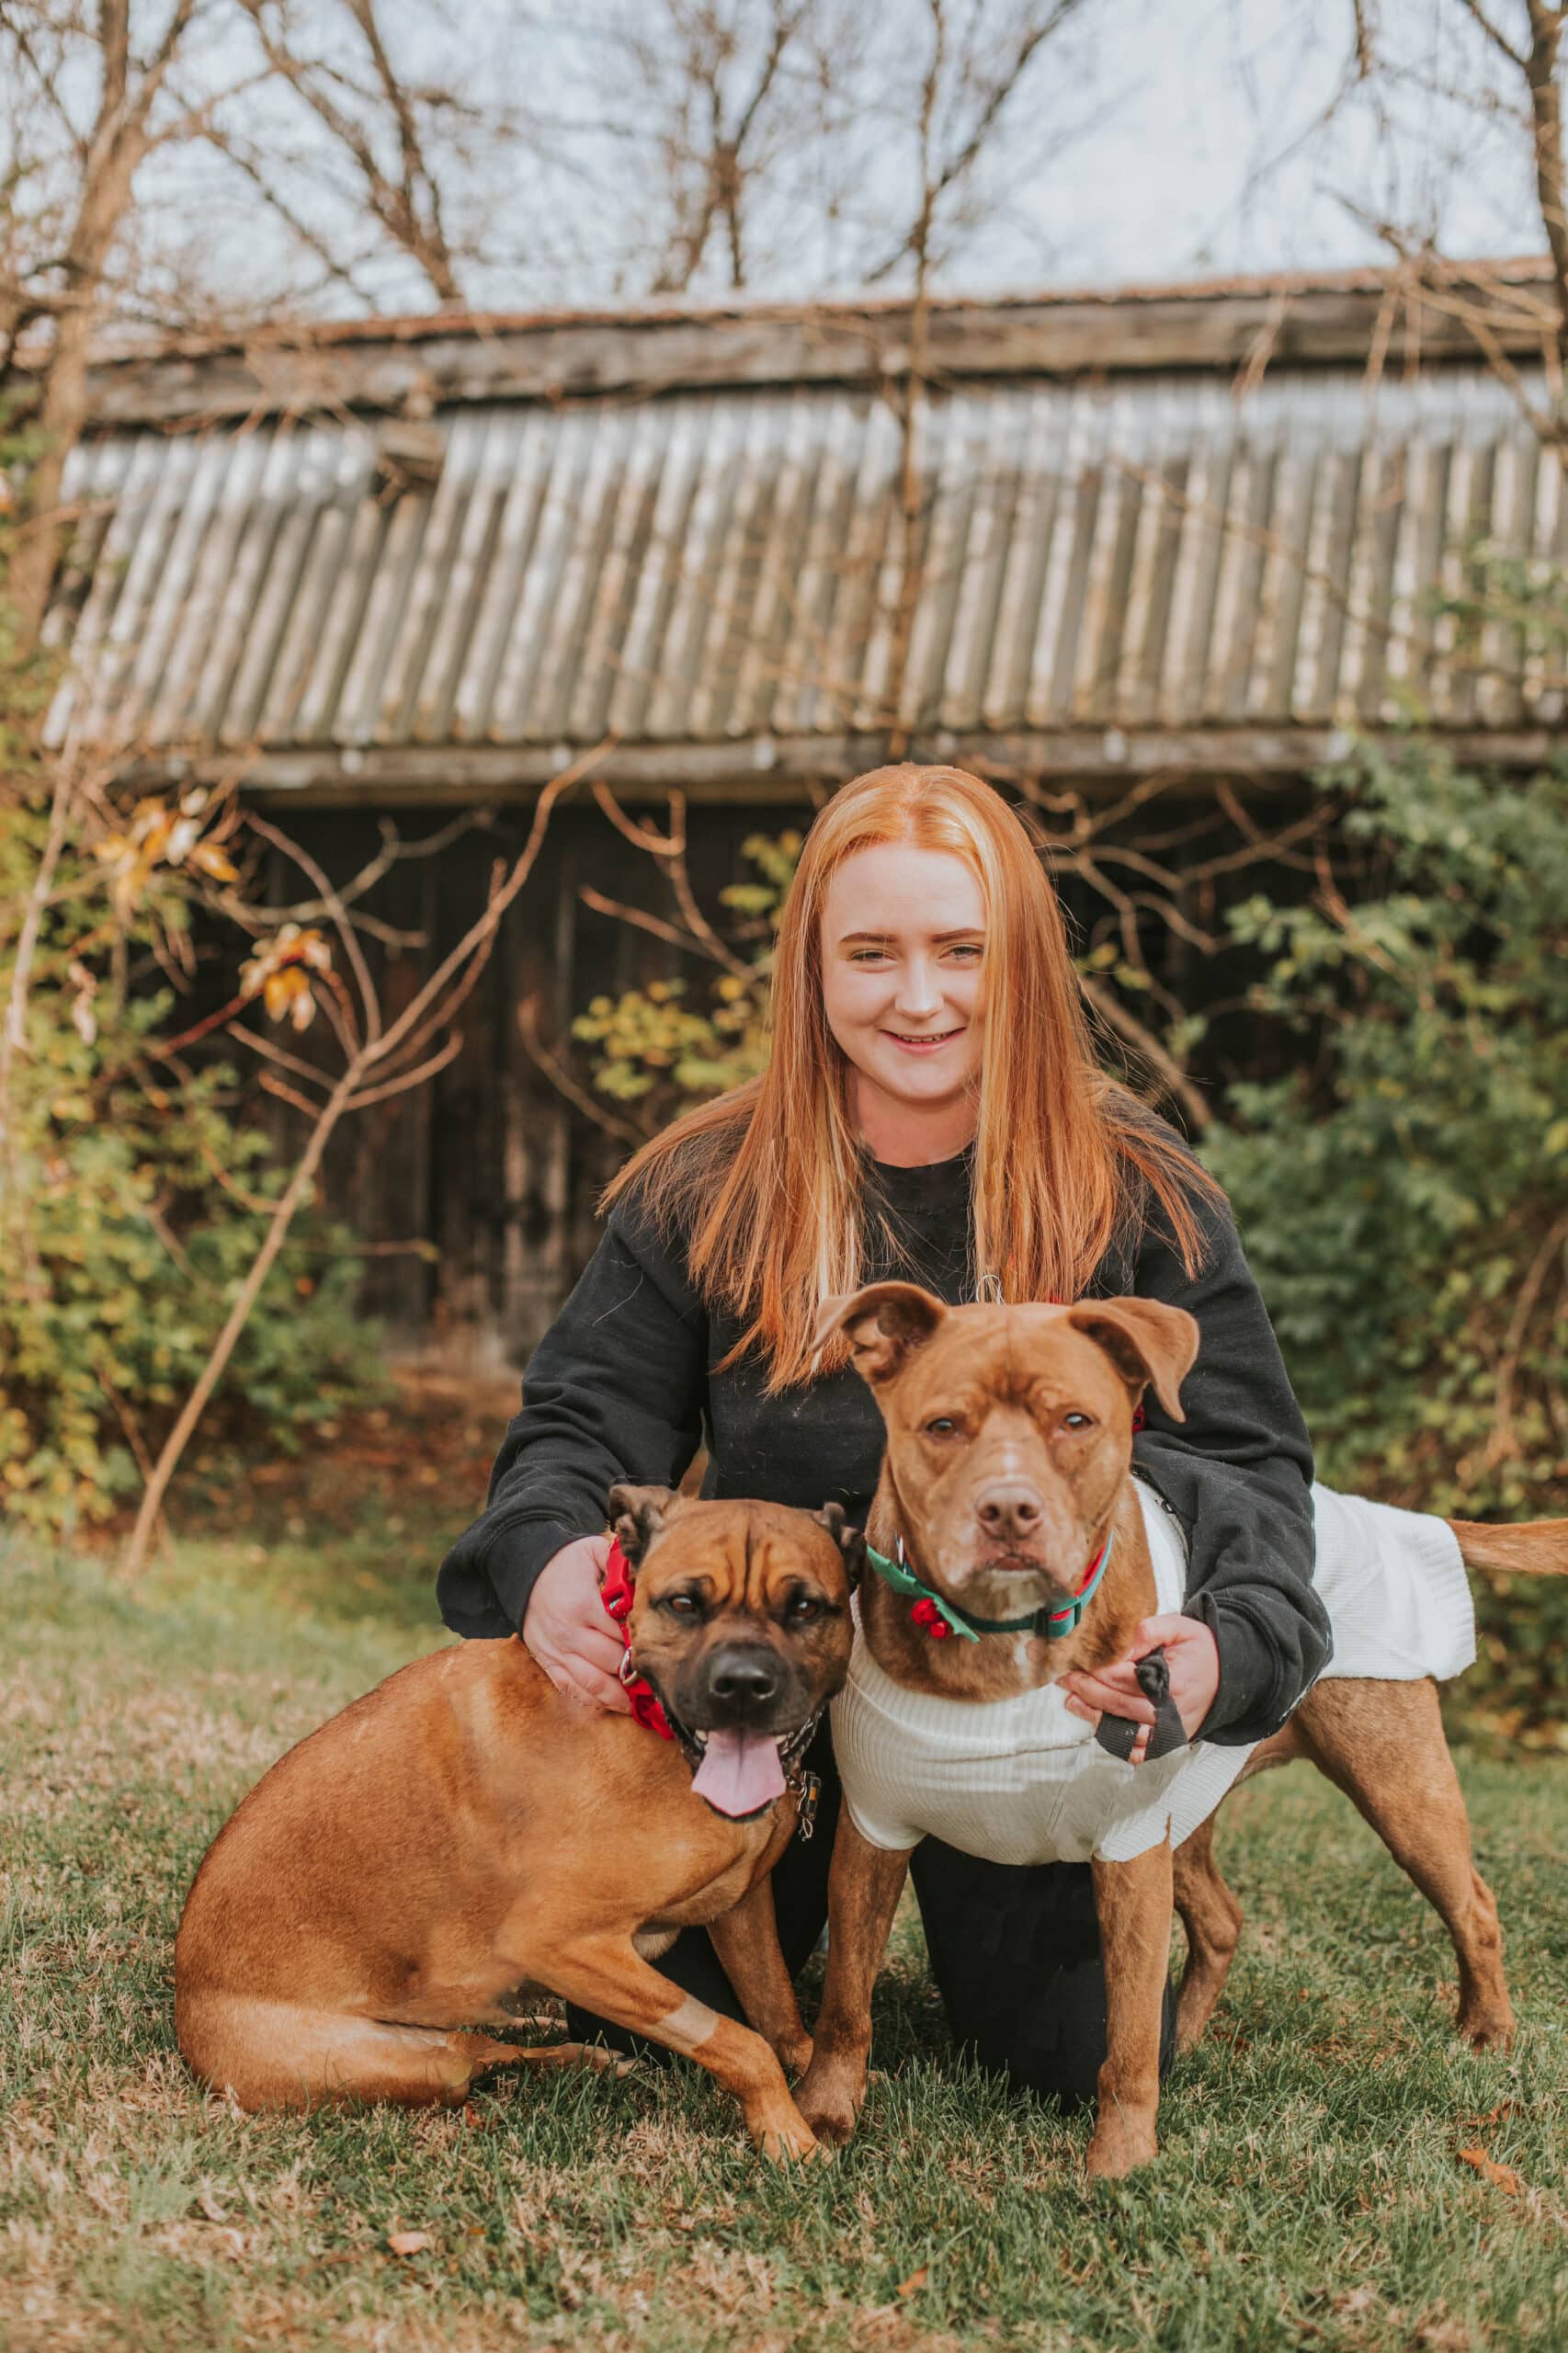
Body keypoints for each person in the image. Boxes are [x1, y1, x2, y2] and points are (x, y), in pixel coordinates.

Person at [437, 762, 1330, 2107]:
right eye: (871, 953)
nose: (919, 997)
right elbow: (577, 1423)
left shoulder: (1134, 1181)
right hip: (773, 1686)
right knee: (640, 2019)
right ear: (811, 968)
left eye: (961, 950)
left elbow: (1249, 1468)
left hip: (1029, 1695)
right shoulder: (706, 1184)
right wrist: (548, 1556)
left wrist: (1233, 1645)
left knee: (1060, 2056)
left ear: (1024, 960)